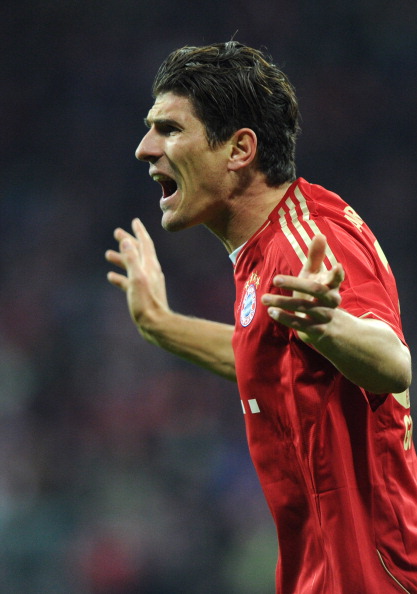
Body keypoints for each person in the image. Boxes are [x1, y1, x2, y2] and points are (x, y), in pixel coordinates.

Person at [105, 41, 417, 593]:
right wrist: (160, 323)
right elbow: (270, 358)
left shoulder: (306, 238)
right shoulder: (263, 249)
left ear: (239, 149)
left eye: (170, 129)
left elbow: (392, 363)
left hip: (373, 577)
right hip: (318, 575)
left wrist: (330, 325)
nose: (144, 148)